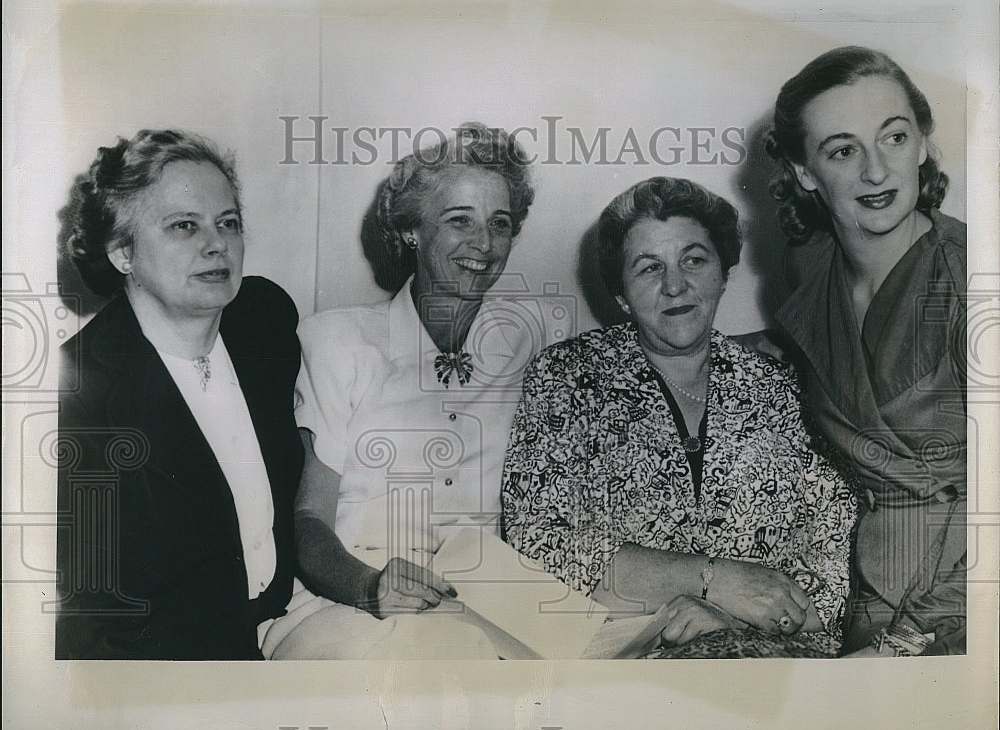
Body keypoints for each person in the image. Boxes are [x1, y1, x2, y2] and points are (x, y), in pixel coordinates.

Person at [502, 176, 856, 658]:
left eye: (694, 259)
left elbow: (837, 551)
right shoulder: (567, 377)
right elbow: (537, 544)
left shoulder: (784, 386)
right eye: (649, 268)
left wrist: (732, 616)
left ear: (723, 273)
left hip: (776, 658)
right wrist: (715, 579)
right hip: (625, 662)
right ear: (622, 294)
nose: (675, 285)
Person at [261, 122, 561, 659]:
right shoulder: (338, 339)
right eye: (458, 221)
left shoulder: (534, 343)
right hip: (348, 606)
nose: (484, 244)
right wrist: (368, 586)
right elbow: (308, 519)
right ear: (412, 231)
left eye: (500, 223)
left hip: (486, 606)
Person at [55, 129, 303, 659]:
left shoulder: (265, 322)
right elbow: (93, 618)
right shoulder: (76, 397)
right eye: (183, 226)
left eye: (228, 223)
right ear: (122, 252)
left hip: (284, 616)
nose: (217, 245)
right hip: (170, 660)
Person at [765, 46, 967, 656]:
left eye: (895, 138)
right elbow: (825, 357)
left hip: (970, 598)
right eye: (844, 150)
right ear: (805, 171)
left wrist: (907, 641)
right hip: (874, 593)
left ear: (923, 143)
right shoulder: (813, 266)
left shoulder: (972, 281)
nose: (877, 172)